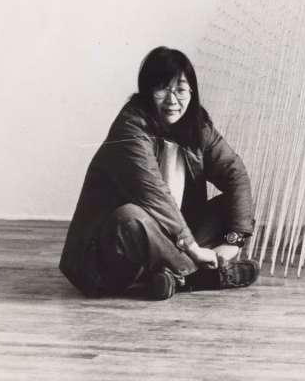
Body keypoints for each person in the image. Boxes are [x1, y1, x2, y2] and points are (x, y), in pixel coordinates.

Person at [60, 46, 259, 300]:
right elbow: (154, 195)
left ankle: (167, 275)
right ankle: (200, 277)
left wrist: (234, 240)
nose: (172, 100)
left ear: (192, 91)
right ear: (147, 91)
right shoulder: (130, 127)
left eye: (181, 89)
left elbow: (235, 174)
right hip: (106, 257)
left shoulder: (197, 126)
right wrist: (195, 250)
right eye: (162, 89)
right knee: (129, 217)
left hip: (171, 240)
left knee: (228, 206)